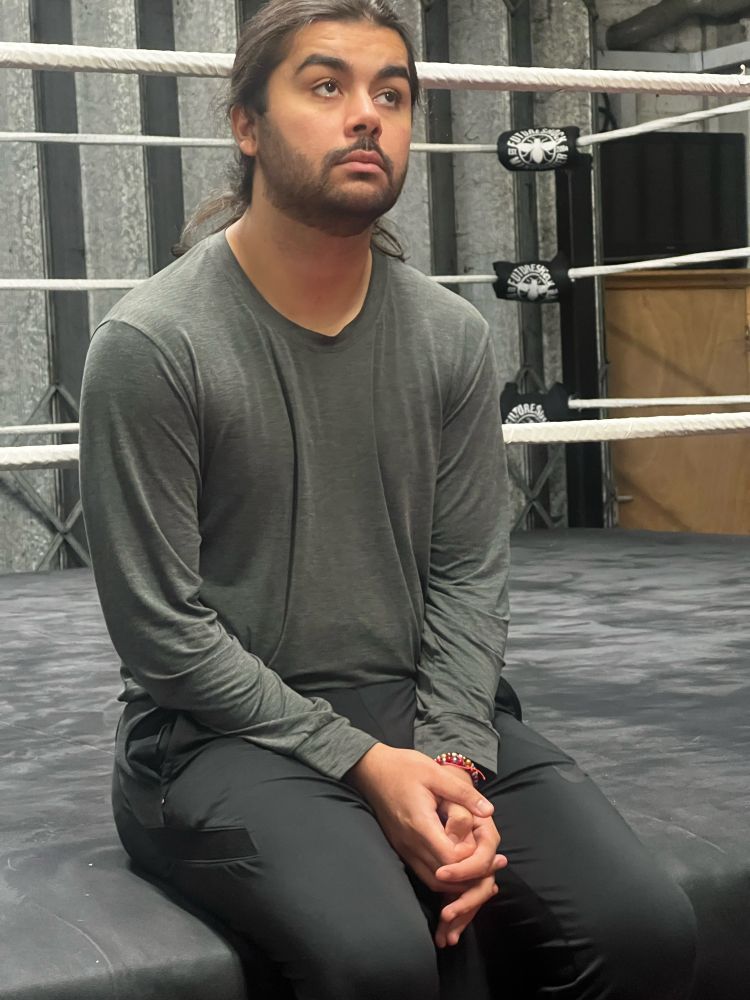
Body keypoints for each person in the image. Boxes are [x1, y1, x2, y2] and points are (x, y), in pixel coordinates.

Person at [79, 2, 697, 998]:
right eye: (326, 87)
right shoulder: (154, 347)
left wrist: (452, 760)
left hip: (414, 707)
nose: (367, 115)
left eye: (392, 94)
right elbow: (163, 635)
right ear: (247, 126)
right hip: (214, 738)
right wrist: (367, 764)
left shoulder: (450, 338)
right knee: (383, 960)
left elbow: (465, 573)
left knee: (642, 929)